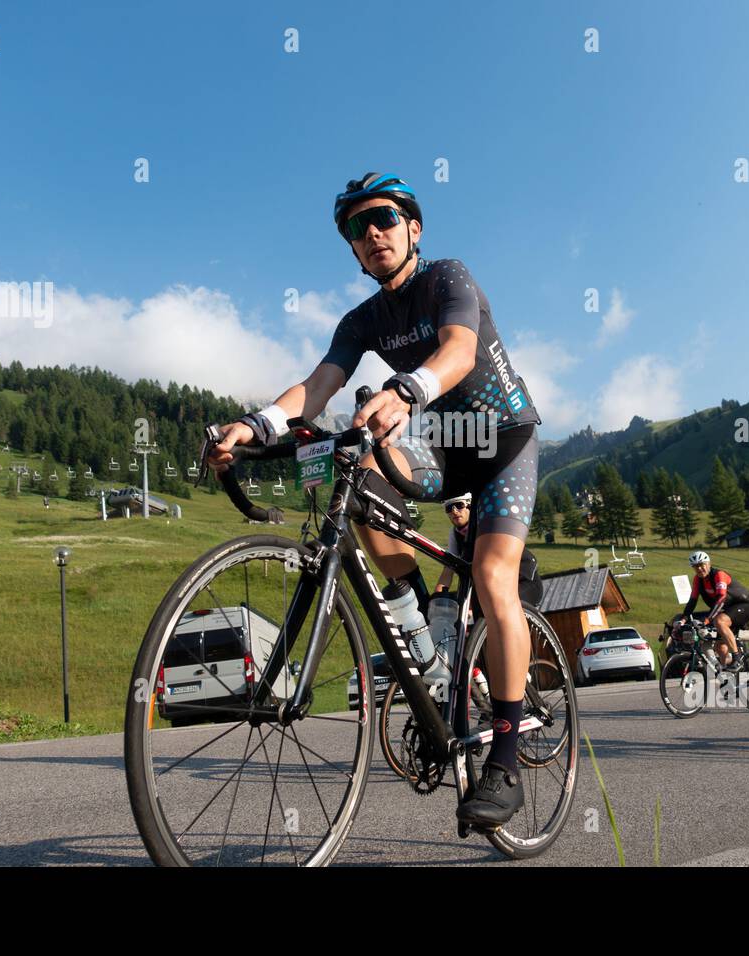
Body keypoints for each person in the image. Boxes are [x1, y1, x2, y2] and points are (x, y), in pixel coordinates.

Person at [207, 173, 541, 829]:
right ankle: (422, 633)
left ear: (412, 227)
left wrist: (410, 391)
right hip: (444, 443)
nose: (372, 234)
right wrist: (255, 425)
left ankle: (505, 758)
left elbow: (459, 349)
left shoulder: (449, 278)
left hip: (503, 439)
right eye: (356, 229)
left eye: (383, 219)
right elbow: (318, 384)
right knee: (357, 480)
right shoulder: (360, 320)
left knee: (495, 577)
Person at [679, 551, 749, 667]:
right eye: (695, 566)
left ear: (708, 564)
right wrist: (683, 619)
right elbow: (692, 601)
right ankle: (725, 675)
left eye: (702, 565)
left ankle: (737, 657)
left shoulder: (719, 575)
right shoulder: (697, 580)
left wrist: (708, 619)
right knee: (720, 646)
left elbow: (721, 598)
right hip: (728, 610)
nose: (699, 569)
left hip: (744, 605)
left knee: (719, 621)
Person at [434, 492, 472, 593]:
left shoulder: (483, 527)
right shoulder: (454, 533)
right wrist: (436, 597)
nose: (454, 511)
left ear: (470, 506)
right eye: (449, 508)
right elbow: (448, 569)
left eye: (459, 505)